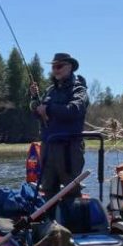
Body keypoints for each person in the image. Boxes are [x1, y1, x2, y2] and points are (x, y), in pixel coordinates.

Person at [29, 52, 89, 199]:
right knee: (48, 189)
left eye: (59, 66)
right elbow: (37, 113)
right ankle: (51, 221)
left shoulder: (79, 90)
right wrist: (33, 99)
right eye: (54, 67)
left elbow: (74, 110)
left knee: (71, 190)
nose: (56, 69)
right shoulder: (50, 90)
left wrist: (48, 108)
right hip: (48, 148)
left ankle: (73, 221)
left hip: (69, 150)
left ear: (70, 67)